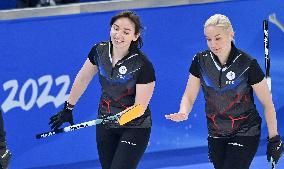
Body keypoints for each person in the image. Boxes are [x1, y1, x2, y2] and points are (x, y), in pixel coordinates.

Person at [165, 14, 283, 169]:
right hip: (215, 132)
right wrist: (184, 111)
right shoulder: (200, 61)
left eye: (218, 38)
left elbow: (267, 103)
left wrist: (274, 138)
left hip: (246, 130)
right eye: (208, 39)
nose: (213, 44)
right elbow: (189, 94)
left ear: (231, 34)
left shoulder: (247, 64)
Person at [49, 11, 155, 169]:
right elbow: (83, 78)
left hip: (135, 127)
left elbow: (140, 107)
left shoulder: (143, 65)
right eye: (115, 28)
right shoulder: (99, 51)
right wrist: (68, 107)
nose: (118, 35)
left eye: (126, 32)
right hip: (105, 124)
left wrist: (117, 119)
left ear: (135, 36)